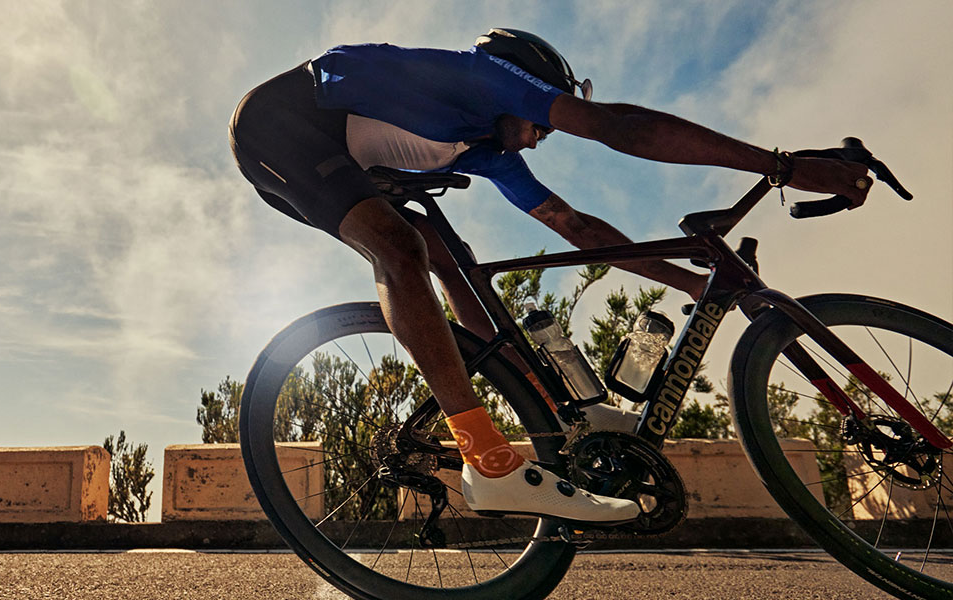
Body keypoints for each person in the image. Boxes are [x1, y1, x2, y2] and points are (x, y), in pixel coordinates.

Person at [228, 28, 869, 523]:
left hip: (347, 159)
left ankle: (533, 405)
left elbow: (576, 228)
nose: (538, 138)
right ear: (525, 82)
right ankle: (487, 456)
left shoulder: (488, 147)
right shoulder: (484, 77)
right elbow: (615, 126)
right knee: (400, 250)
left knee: (457, 267)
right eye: (539, 121)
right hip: (278, 126)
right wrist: (781, 166)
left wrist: (692, 285)